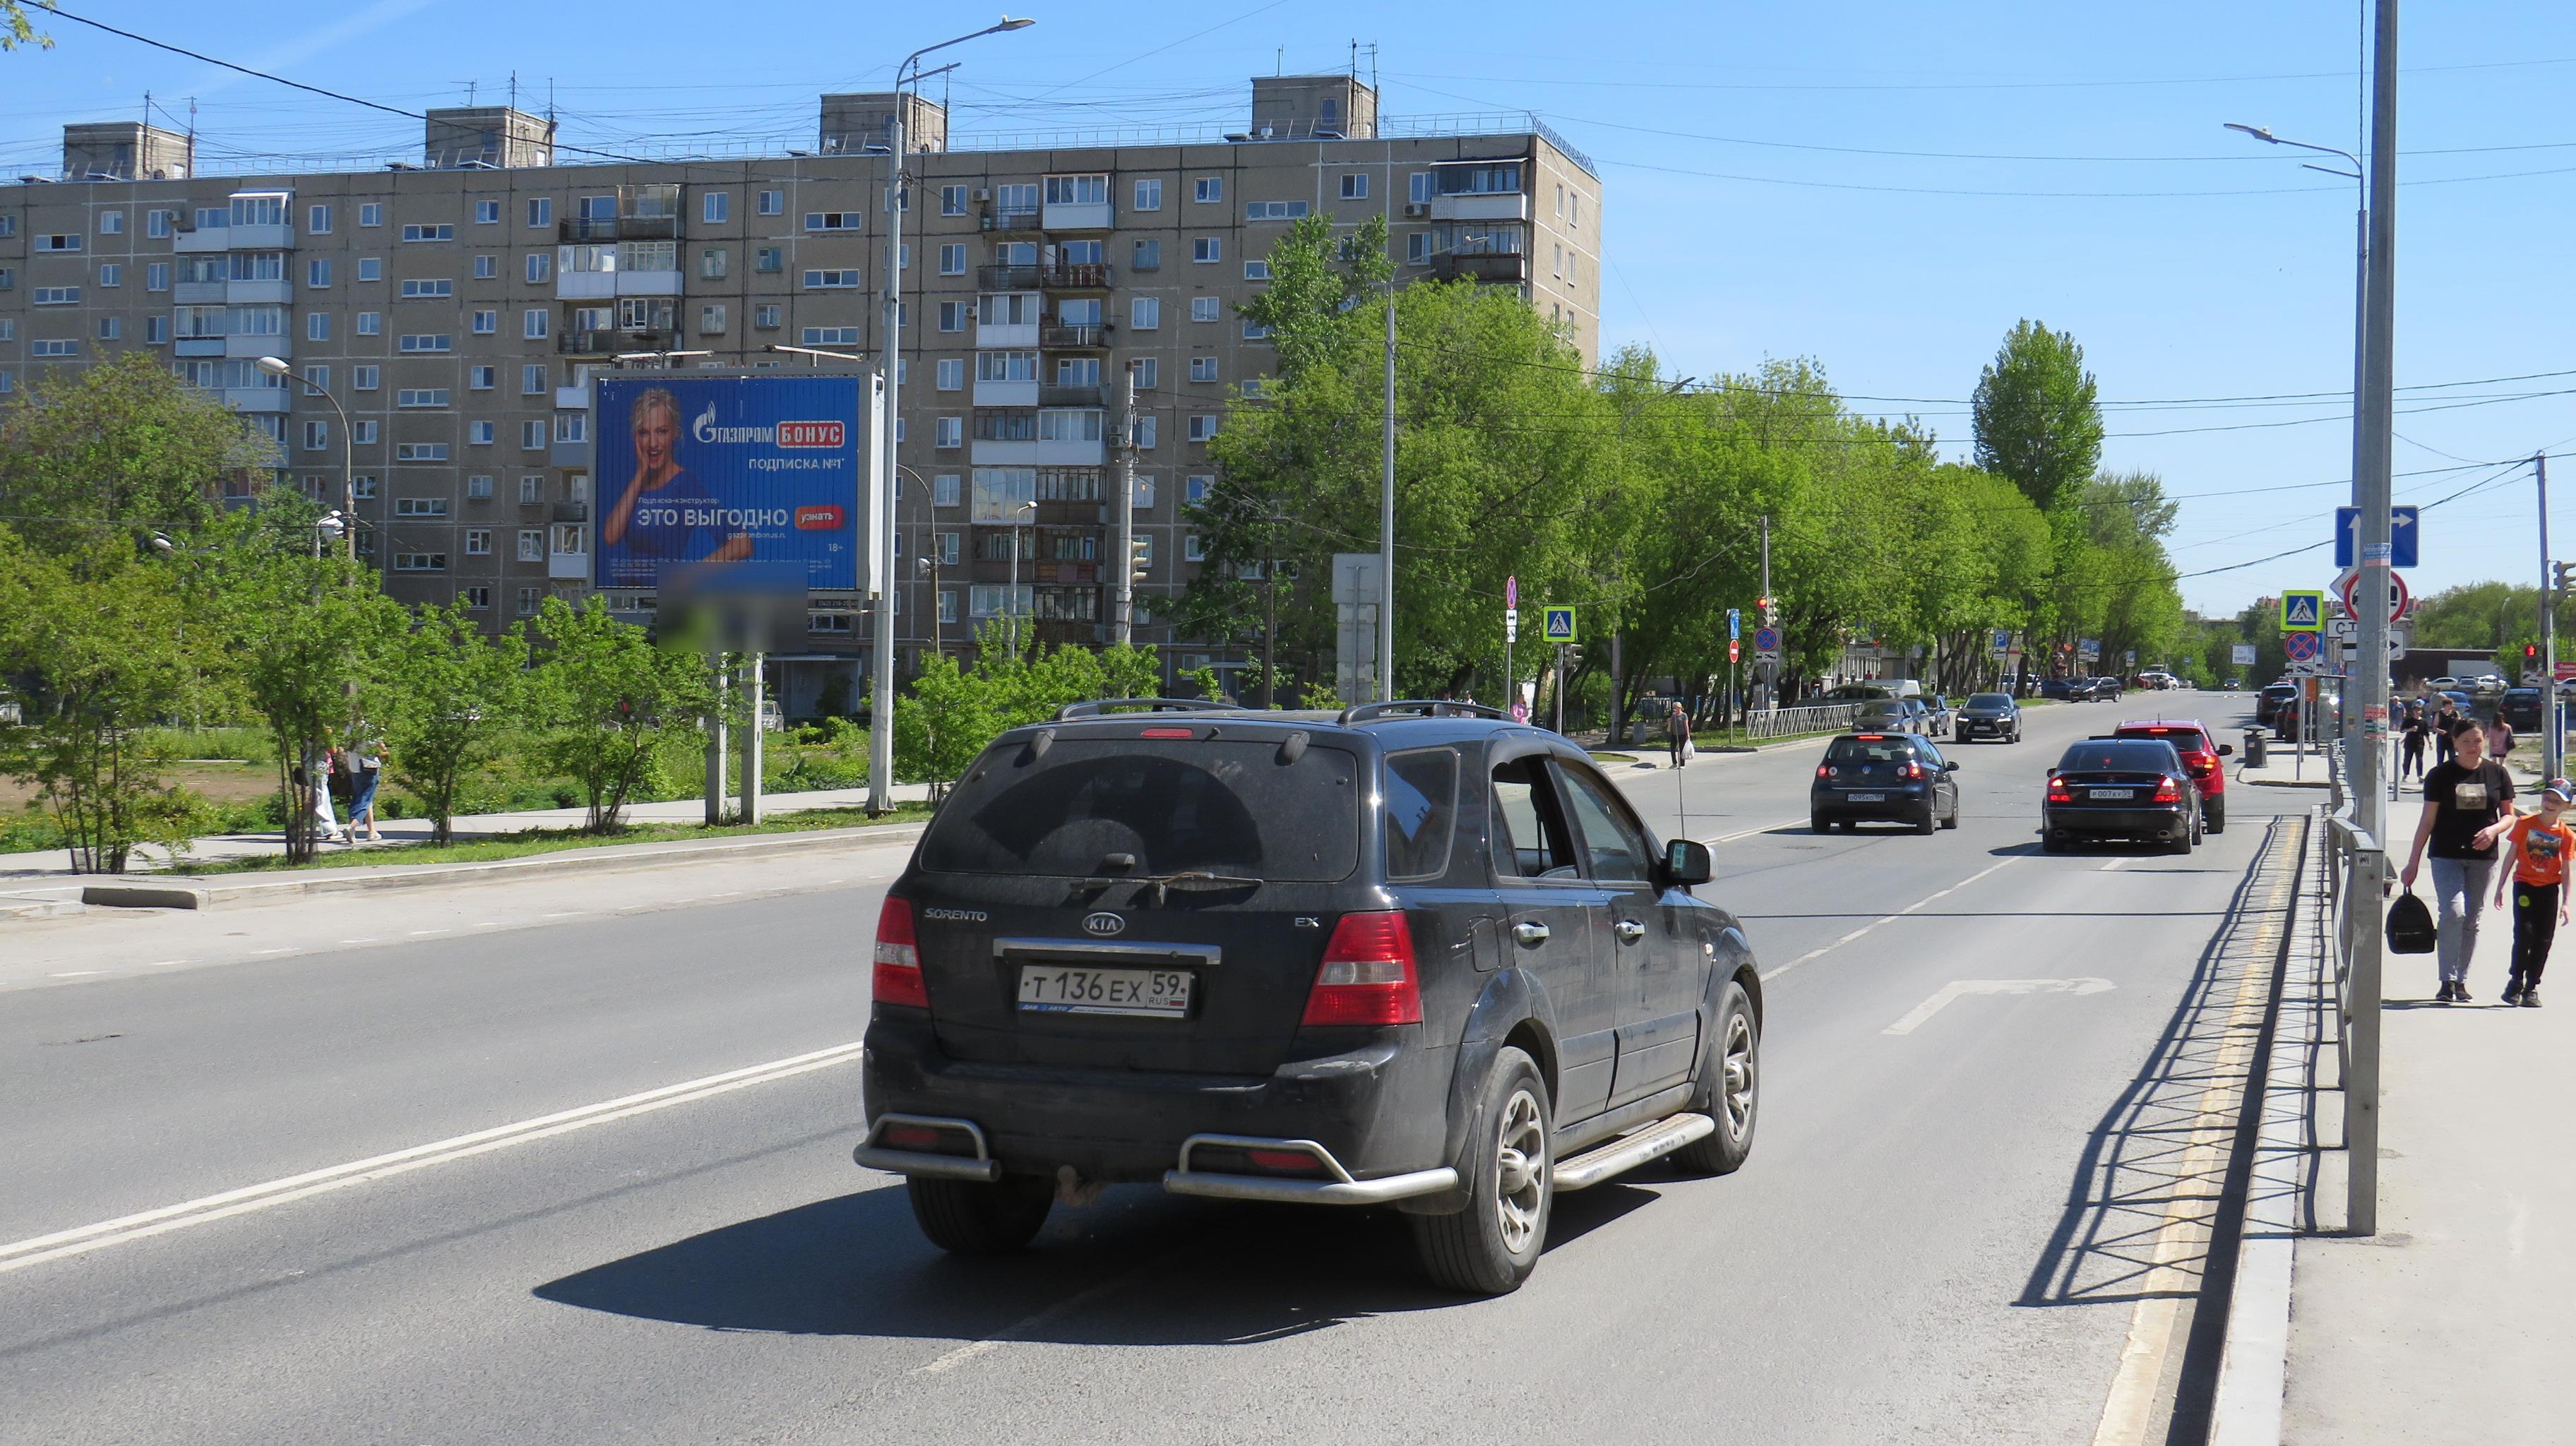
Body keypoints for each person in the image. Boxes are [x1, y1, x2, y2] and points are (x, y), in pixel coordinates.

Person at [2402, 722, 2515, 1003]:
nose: (2473, 746)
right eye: (2466, 741)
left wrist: (2494, 830)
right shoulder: (2440, 775)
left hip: (2483, 858)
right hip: (2446, 854)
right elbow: (2427, 821)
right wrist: (2412, 863)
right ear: (2454, 742)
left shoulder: (2497, 773)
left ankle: (2461, 981)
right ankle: (2446, 980)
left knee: (2472, 919)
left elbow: (2509, 816)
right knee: (2453, 913)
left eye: (2477, 741)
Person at [599, 388, 753, 584]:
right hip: (630, 599)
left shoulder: (683, 484)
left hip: (666, 597)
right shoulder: (637, 486)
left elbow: (742, 543)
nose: (653, 443)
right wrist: (640, 473)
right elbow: (611, 536)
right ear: (636, 438)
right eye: (645, 433)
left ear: (676, 434)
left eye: (662, 431)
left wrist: (689, 574)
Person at [2479, 778, 2576, 1007]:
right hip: (2524, 885)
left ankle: (2531, 987)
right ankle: (2515, 980)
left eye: (2557, 801)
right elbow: (2511, 855)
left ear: (2567, 807)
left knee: (2543, 940)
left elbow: (2566, 870)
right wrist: (2501, 886)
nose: (2550, 804)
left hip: (2549, 890)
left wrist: (2566, 902)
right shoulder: (2525, 824)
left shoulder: (2567, 836)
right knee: (2525, 935)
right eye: (2547, 798)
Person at [345, 724, 388, 844]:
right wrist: (385, 751)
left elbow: (348, 746)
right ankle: (352, 826)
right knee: (364, 799)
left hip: (355, 766)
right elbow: (380, 748)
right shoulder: (371, 726)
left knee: (362, 797)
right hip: (369, 766)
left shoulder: (350, 727)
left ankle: (371, 831)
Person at [2399, 695, 2429, 782]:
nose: (2418, 712)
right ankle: (2406, 774)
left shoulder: (2423, 721)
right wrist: (2410, 729)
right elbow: (2402, 730)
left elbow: (2426, 733)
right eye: (2416, 710)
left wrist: (2430, 742)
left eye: (2419, 710)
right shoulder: (2408, 720)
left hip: (2419, 743)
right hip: (2409, 742)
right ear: (2413, 711)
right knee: (2407, 759)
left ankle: (2420, 776)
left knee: (2419, 759)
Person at [1666, 699, 1690, 768]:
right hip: (1674, 734)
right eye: (1673, 708)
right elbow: (1671, 722)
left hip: (1682, 734)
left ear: (1679, 707)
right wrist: (1669, 721)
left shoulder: (1684, 715)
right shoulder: (1674, 715)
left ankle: (1682, 764)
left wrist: (1688, 734)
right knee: (1672, 748)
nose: (1674, 709)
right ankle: (1674, 763)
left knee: (1682, 749)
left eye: (1675, 707)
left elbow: (1686, 725)